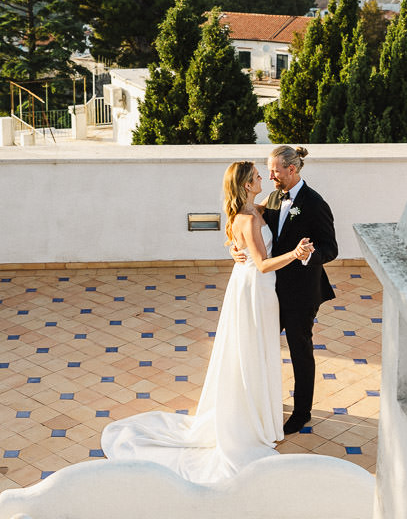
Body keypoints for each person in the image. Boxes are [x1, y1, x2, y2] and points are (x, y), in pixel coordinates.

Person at [101, 161, 314, 483]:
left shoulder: (254, 209)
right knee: (251, 350)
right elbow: (262, 264)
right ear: (246, 184)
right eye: (257, 176)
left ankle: (259, 413)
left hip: (255, 287)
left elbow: (237, 241)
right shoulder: (247, 218)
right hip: (256, 288)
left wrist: (232, 248)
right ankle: (251, 418)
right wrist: (296, 254)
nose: (263, 179)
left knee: (256, 350)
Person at [236, 145, 337, 435]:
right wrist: (234, 248)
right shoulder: (274, 197)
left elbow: (331, 248)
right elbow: (247, 227)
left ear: (291, 169)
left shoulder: (315, 203)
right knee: (261, 345)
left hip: (302, 293)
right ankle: (261, 402)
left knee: (299, 350)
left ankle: (302, 412)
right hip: (270, 289)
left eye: (274, 170)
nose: (269, 176)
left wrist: (306, 254)